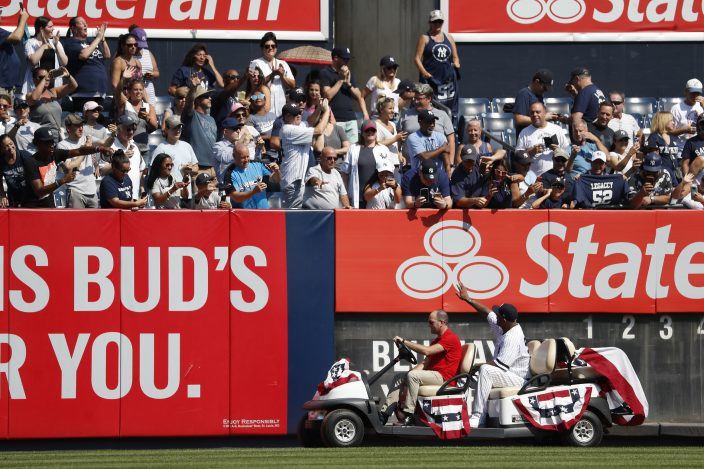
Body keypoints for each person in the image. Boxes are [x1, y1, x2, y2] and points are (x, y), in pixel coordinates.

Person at [455, 285, 530, 428]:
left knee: (485, 370)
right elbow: (487, 313)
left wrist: (478, 366)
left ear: (504, 319)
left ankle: (478, 417)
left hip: (518, 379)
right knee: (465, 377)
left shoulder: (513, 337)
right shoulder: (505, 326)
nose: (495, 316)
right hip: (505, 375)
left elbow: (500, 365)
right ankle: (458, 413)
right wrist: (468, 299)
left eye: (498, 315)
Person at [380, 309, 461, 425]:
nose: (429, 325)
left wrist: (404, 341)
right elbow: (425, 363)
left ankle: (409, 415)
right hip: (434, 375)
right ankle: (384, 414)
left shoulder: (451, 338)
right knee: (400, 376)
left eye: (431, 322)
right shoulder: (437, 341)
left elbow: (426, 351)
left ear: (442, 322)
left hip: (445, 379)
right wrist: (408, 376)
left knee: (413, 376)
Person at [23, 127, 111, 208]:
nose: (51, 145)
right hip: (32, 206)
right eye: (47, 143)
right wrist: (62, 181)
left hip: (48, 204)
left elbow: (79, 151)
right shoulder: (31, 162)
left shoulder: (54, 154)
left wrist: (99, 149)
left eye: (52, 142)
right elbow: (39, 191)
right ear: (38, 144)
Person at [414, 10, 460, 126]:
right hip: (431, 80)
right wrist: (424, 72)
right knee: (430, 106)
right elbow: (417, 59)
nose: (437, 24)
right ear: (430, 22)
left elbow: (455, 57)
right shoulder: (425, 38)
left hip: (447, 81)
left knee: (448, 109)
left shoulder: (449, 37)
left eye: (440, 21)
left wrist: (456, 64)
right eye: (435, 22)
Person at [280, 102, 328, 208]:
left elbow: (309, 121)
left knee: (295, 216)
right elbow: (319, 130)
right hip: (292, 181)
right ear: (287, 117)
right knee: (291, 217)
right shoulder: (289, 129)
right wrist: (327, 111)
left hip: (296, 180)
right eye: (294, 114)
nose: (298, 116)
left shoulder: (296, 125)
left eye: (299, 113)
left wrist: (319, 108)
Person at [319, 46, 367, 144]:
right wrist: (341, 79)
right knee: (337, 148)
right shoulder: (325, 72)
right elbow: (328, 95)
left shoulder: (348, 73)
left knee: (353, 150)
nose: (347, 61)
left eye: (348, 59)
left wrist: (349, 84)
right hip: (335, 119)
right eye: (345, 59)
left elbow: (359, 95)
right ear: (335, 58)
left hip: (351, 118)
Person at [340, 119, 392, 208]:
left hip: (377, 196)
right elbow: (345, 174)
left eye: (373, 130)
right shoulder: (353, 148)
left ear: (376, 133)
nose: (370, 132)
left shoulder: (384, 149)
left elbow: (390, 173)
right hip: (357, 196)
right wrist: (346, 195)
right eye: (367, 130)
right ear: (362, 133)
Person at [400, 84, 455, 168]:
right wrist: (399, 153)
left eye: (419, 99)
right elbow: (398, 137)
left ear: (429, 99)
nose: (415, 101)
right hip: (410, 167)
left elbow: (451, 141)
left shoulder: (442, 115)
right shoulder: (406, 114)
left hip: (437, 168)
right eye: (415, 98)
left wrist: (450, 164)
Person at [64, 17, 111, 112]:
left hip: (99, 90)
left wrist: (102, 39)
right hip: (83, 92)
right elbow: (84, 55)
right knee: (83, 121)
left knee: (97, 122)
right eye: (81, 23)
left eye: (86, 23)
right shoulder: (70, 42)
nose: (86, 25)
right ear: (73, 28)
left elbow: (107, 55)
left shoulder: (91, 41)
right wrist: (97, 38)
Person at [56, 113, 100, 208]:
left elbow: (105, 143)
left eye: (81, 125)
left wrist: (113, 135)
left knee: (95, 222)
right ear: (68, 128)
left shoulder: (86, 139)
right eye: (77, 126)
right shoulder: (62, 145)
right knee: (76, 222)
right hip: (75, 191)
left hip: (92, 192)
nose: (81, 128)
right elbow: (69, 167)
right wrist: (86, 149)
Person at [515, 102, 570, 177]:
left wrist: (558, 150)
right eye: (532, 112)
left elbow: (567, 152)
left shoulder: (557, 129)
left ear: (545, 113)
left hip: (555, 177)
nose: (534, 115)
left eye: (538, 112)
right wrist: (531, 152)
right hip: (534, 178)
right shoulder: (524, 132)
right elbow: (518, 157)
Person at [151, 115, 199, 199]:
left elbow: (196, 168)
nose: (177, 131)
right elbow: (153, 172)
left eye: (179, 127)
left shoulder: (187, 146)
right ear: (166, 129)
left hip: (186, 194)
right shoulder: (160, 148)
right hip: (169, 196)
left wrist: (190, 169)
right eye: (174, 128)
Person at [249, 32, 294, 117]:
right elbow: (253, 85)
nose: (270, 48)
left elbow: (292, 85)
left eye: (273, 46)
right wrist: (272, 74)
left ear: (276, 48)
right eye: (267, 46)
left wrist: (282, 76)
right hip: (263, 110)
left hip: (281, 110)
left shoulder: (283, 63)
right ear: (262, 48)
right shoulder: (254, 63)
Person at [22, 15, 68, 95]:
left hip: (54, 85)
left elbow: (64, 62)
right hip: (36, 85)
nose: (53, 29)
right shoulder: (31, 42)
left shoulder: (55, 42)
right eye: (50, 27)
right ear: (41, 29)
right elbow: (33, 61)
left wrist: (56, 45)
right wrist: (43, 45)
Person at [226, 143, 281, 209]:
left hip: (264, 212)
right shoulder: (230, 173)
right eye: (243, 158)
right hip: (243, 215)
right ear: (234, 156)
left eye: (247, 156)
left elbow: (276, 180)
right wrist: (253, 192)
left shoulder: (258, 164)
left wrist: (277, 171)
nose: (246, 160)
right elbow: (235, 197)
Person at [182, 76, 217, 177]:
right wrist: (193, 88)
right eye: (206, 96)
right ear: (197, 100)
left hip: (212, 167)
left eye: (210, 96)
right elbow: (188, 102)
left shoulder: (212, 119)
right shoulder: (191, 116)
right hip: (198, 168)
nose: (210, 98)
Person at [27, 67, 76, 136]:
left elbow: (73, 86)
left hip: (58, 135)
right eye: (41, 77)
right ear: (34, 80)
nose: (46, 79)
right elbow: (34, 98)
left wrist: (68, 76)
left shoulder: (53, 92)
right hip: (43, 136)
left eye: (48, 76)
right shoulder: (29, 95)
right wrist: (45, 78)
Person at [513, 69, 562, 136]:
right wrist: (544, 117)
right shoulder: (524, 94)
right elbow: (519, 119)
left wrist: (549, 115)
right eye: (544, 88)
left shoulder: (539, 96)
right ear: (537, 82)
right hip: (527, 138)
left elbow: (537, 116)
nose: (545, 91)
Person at [115, 78, 157, 156]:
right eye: (135, 89)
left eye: (141, 90)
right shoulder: (124, 105)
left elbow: (155, 126)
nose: (138, 92)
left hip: (144, 150)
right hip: (127, 149)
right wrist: (123, 78)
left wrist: (147, 118)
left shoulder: (149, 107)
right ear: (130, 91)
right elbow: (117, 92)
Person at [109, 114, 146, 198]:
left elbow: (141, 169)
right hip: (117, 198)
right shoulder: (111, 146)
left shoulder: (135, 147)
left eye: (133, 129)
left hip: (134, 198)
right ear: (118, 129)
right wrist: (121, 158)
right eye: (128, 129)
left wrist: (142, 189)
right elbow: (102, 170)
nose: (131, 132)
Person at [405, 109, 450, 174]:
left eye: (433, 121)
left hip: (437, 175)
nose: (432, 125)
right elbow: (424, 157)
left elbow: (446, 161)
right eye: (429, 122)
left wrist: (448, 177)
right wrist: (442, 148)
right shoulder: (413, 137)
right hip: (419, 175)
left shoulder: (441, 136)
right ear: (420, 122)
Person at [0, 6, 29, 99]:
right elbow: (16, 38)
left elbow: (16, 35)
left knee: (6, 113)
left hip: (6, 85)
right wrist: (23, 20)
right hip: (1, 86)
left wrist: (21, 21)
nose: (0, 13)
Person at [669, 78, 704, 154]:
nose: (695, 95)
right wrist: (684, 130)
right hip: (681, 149)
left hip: (700, 149)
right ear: (686, 92)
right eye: (692, 92)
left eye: (697, 93)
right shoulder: (676, 109)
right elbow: (670, 131)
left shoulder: (702, 106)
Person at [128, 26, 159, 106]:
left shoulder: (148, 53)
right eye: (138, 44)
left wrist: (151, 74)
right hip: (134, 95)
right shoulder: (126, 55)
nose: (140, 47)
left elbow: (157, 72)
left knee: (150, 115)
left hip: (149, 93)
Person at [646, 111, 680, 183]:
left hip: (674, 174)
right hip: (661, 175)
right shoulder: (654, 137)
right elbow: (653, 160)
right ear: (664, 121)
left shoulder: (673, 137)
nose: (673, 123)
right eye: (671, 120)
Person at [374, 96, 406, 171]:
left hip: (396, 164)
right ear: (381, 110)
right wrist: (395, 139)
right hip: (384, 165)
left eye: (393, 108)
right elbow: (376, 144)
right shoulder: (375, 125)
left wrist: (399, 154)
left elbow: (394, 145)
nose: (393, 111)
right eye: (390, 108)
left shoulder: (393, 124)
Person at [0, 134, 32, 207]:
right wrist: (3, 196)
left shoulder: (25, 155)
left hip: (29, 195)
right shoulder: (1, 161)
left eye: (11, 144)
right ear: (2, 149)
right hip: (13, 196)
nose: (10, 147)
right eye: (6, 146)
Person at [110, 33, 142, 101]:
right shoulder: (118, 61)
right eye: (129, 45)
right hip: (122, 102)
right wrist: (125, 103)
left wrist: (148, 103)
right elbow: (114, 86)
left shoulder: (138, 62)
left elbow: (141, 87)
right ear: (122, 46)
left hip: (137, 102)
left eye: (135, 45)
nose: (133, 47)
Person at [212, 68, 243, 137]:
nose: (236, 80)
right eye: (232, 78)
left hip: (233, 136)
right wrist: (244, 78)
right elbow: (227, 91)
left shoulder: (234, 98)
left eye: (238, 78)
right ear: (224, 80)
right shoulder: (219, 94)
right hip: (222, 136)